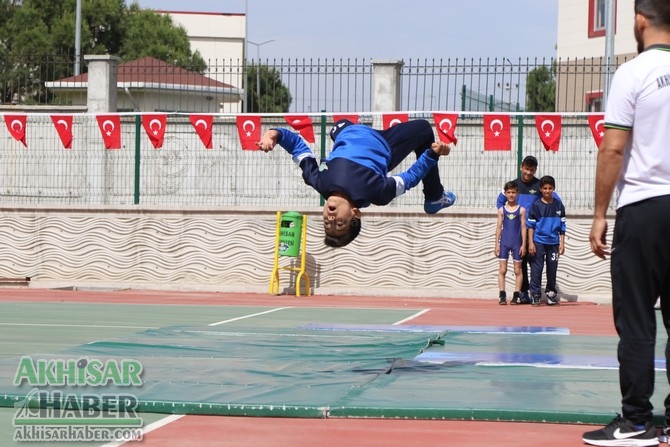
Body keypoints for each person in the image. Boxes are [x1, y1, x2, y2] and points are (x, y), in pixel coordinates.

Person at [585, 1, 670, 445]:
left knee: (637, 318)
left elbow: (613, 149)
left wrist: (600, 214)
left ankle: (637, 420)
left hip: (645, 207)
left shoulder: (633, 73)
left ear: (640, 20)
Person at [257, 119, 456, 247]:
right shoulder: (377, 193)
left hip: (348, 133)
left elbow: (299, 148)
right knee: (423, 128)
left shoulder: (318, 180)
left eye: (327, 222)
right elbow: (410, 177)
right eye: (340, 223)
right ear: (356, 213)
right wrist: (432, 154)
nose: (332, 219)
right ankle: (434, 196)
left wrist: (276, 134)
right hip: (385, 144)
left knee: (338, 126)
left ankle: (341, 130)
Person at [496, 155, 541, 304]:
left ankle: (535, 293)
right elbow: (500, 201)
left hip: (533, 231)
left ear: (535, 171)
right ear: (521, 167)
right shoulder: (513, 186)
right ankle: (523, 293)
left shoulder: (539, 185)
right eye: (526, 169)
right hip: (517, 231)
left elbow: (552, 200)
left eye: (532, 170)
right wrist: (507, 215)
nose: (528, 172)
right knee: (519, 264)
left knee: (534, 262)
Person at [527, 176, 565, 307]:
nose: (547, 191)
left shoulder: (559, 205)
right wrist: (531, 243)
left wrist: (562, 243)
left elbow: (562, 226)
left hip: (554, 243)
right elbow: (530, 226)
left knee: (552, 269)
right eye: (545, 188)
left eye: (550, 188)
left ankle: (551, 294)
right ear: (540, 189)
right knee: (537, 268)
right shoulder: (536, 205)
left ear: (554, 189)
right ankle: (536, 295)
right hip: (538, 242)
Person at [494, 180, 527, 305]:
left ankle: (516, 295)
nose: (511, 195)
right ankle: (502, 295)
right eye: (508, 192)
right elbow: (498, 227)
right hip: (504, 243)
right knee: (502, 269)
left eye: (513, 192)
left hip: (517, 243)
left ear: (517, 193)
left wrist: (524, 244)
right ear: (505, 193)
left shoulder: (521, 210)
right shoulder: (502, 210)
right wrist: (496, 244)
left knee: (518, 270)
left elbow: (524, 227)